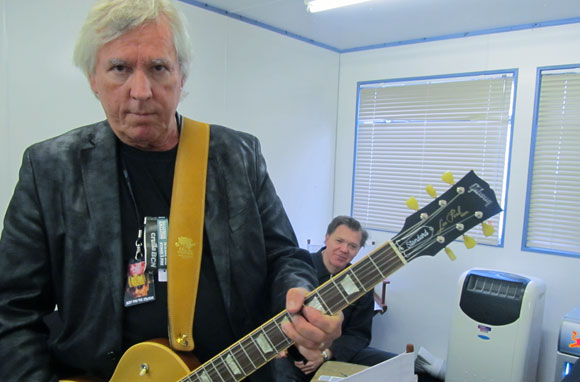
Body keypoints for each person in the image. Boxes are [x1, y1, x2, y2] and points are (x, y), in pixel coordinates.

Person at [0, 1, 342, 381]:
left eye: (159, 67)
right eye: (119, 68)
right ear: (93, 79)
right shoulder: (49, 169)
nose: (141, 91)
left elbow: (284, 257)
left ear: (182, 76)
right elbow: (12, 310)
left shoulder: (238, 156)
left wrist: (299, 300)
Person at [273, 216, 396, 380]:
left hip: (332, 353)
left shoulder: (362, 282)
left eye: (352, 246)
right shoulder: (298, 266)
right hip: (288, 353)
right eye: (339, 241)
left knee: (394, 365)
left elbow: (358, 335)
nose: (344, 249)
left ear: (359, 250)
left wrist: (325, 355)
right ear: (327, 238)